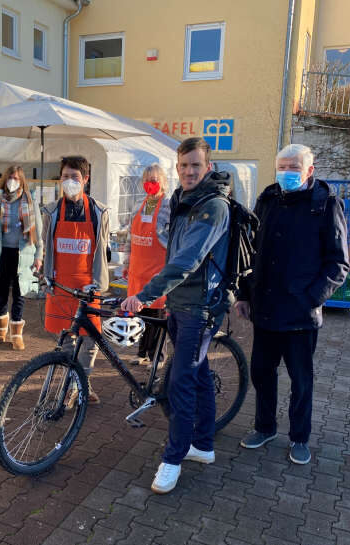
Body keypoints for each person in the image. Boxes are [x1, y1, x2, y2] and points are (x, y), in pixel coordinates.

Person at [122, 137, 231, 494]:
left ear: (208, 167)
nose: (188, 171)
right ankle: (204, 445)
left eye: (195, 165)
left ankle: (173, 460)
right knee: (197, 375)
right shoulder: (181, 200)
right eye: (183, 166)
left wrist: (145, 294)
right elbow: (171, 251)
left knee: (180, 383)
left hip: (199, 308)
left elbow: (187, 260)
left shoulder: (213, 206)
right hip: (178, 303)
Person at [235, 144, 349, 465]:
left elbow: (338, 263)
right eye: (282, 166)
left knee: (301, 381)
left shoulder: (325, 205)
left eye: (294, 167)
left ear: (309, 170)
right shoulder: (268, 200)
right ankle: (265, 427)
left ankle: (299, 437)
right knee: (262, 372)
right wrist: (245, 294)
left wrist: (312, 299)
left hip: (301, 315)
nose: (287, 172)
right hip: (266, 309)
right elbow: (250, 253)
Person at [42, 156, 109, 405]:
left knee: (89, 339)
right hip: (60, 285)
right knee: (66, 338)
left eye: (75, 177)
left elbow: (102, 251)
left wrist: (98, 283)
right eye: (65, 177)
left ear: (86, 180)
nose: (70, 182)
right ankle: (73, 385)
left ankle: (84, 382)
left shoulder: (98, 212)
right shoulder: (51, 211)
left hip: (88, 285)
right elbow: (45, 246)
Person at [0, 166, 43, 350]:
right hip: (1, 253)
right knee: (0, 291)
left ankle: (16, 333)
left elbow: (38, 232)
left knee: (19, 293)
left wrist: (39, 255)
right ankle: (1, 328)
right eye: (9, 178)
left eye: (15, 178)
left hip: (23, 255)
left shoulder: (30, 203)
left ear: (21, 180)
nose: (12, 181)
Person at [122, 164, 171, 365]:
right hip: (137, 270)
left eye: (155, 179)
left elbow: (172, 238)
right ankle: (141, 353)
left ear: (163, 182)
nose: (151, 184)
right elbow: (130, 237)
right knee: (139, 315)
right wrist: (126, 262)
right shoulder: (138, 205)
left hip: (157, 270)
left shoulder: (169, 206)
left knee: (157, 317)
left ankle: (157, 357)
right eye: (147, 180)